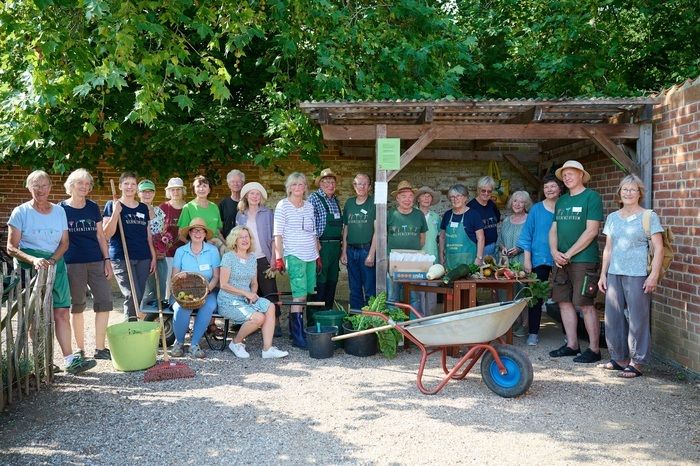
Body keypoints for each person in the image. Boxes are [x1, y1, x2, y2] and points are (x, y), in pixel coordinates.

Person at [7, 170, 96, 374]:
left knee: (62, 312)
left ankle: (70, 361)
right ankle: (41, 361)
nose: (40, 190)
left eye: (44, 185)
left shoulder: (59, 212)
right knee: (35, 315)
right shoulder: (21, 212)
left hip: (56, 264)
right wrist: (33, 259)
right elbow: (11, 247)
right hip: (30, 268)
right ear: (29, 188)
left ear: (50, 187)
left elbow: (65, 243)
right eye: (35, 185)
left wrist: (52, 260)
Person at [598, 175, 663, 378]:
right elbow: (608, 249)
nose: (628, 193)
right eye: (625, 189)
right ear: (620, 193)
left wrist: (653, 275)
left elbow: (659, 249)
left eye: (633, 190)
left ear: (639, 193)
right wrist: (603, 275)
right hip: (614, 273)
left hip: (638, 274)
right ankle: (619, 358)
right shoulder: (612, 218)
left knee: (637, 318)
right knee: (613, 317)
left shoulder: (648, 216)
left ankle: (637, 362)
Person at [548, 160, 603, 363]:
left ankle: (594, 349)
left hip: (583, 260)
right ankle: (572, 345)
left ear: (581, 175)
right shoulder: (561, 201)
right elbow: (554, 229)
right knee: (563, 302)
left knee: (585, 305)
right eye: (565, 174)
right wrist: (554, 251)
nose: (567, 177)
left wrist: (568, 253)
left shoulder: (591, 197)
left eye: (571, 173)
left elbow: (591, 231)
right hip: (561, 260)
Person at [60, 169, 114, 360]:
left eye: (87, 184)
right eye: (80, 183)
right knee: (77, 305)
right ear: (71, 185)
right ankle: (80, 349)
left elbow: (100, 236)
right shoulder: (61, 209)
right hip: (73, 263)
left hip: (96, 260)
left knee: (105, 302)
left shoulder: (92, 207)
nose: (84, 187)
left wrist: (107, 260)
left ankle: (100, 348)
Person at [219, 225, 288, 359]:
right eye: (241, 237)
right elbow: (223, 285)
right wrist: (246, 294)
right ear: (235, 240)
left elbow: (254, 283)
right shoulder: (228, 257)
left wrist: (253, 293)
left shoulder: (252, 258)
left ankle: (267, 349)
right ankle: (236, 342)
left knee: (270, 306)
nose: (245, 240)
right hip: (228, 300)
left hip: (246, 299)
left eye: (247, 237)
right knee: (258, 318)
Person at [273, 172, 319, 349]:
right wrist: (279, 257)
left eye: (301, 185)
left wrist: (317, 254)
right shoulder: (283, 205)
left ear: (305, 187)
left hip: (310, 255)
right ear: (289, 187)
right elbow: (278, 233)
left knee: (305, 293)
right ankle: (298, 337)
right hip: (294, 254)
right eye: (294, 185)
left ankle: (295, 332)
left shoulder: (309, 206)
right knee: (298, 295)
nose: (298, 188)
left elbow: (313, 232)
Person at [517, 175, 563, 346]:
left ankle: (568, 334)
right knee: (536, 296)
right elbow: (527, 235)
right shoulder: (536, 209)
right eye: (546, 187)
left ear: (559, 189)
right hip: (539, 256)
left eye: (553, 186)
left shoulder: (565, 206)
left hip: (561, 257)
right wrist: (527, 260)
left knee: (564, 296)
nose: (549, 190)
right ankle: (534, 332)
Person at [103, 172, 156, 321]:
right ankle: (130, 324)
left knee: (138, 294)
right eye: (126, 183)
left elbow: (148, 235)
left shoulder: (143, 208)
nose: (129, 187)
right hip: (121, 256)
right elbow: (106, 234)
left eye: (133, 184)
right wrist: (115, 214)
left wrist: (153, 256)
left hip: (143, 257)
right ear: (120, 186)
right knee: (132, 294)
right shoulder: (112, 205)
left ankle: (131, 324)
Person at [170, 218, 221, 358]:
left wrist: (207, 291)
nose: (198, 233)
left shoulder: (213, 251)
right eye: (194, 230)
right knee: (181, 307)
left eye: (201, 230)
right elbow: (174, 277)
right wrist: (180, 277)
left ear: (205, 234)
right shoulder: (181, 251)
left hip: (207, 291)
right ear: (190, 233)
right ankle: (179, 343)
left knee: (208, 306)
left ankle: (194, 344)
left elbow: (216, 277)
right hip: (182, 291)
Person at [236, 181, 281, 336]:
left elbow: (274, 237)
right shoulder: (240, 215)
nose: (254, 196)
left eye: (257, 194)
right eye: (251, 193)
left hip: (264, 257)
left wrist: (274, 258)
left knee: (270, 291)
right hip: (246, 259)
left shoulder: (268, 213)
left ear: (261, 197)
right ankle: (253, 322)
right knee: (249, 291)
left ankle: (276, 323)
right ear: (246, 197)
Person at [387, 180, 427, 312]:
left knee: (414, 296)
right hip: (393, 260)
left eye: (410, 196)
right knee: (393, 296)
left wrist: (413, 253)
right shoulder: (390, 214)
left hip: (413, 261)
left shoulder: (419, 215)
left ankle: (413, 326)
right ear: (397, 198)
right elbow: (383, 236)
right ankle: (392, 329)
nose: (407, 199)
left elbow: (422, 239)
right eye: (403, 196)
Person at [498, 190, 532, 337]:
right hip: (507, 262)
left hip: (522, 261)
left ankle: (525, 325)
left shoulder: (529, 219)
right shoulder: (506, 220)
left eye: (521, 202)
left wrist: (519, 249)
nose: (517, 204)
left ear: (526, 204)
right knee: (507, 294)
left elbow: (532, 240)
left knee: (522, 293)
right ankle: (514, 323)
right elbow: (500, 240)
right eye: (515, 201)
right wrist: (503, 248)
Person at [340, 173, 376, 310]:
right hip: (351, 250)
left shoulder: (373, 203)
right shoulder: (349, 203)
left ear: (369, 187)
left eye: (364, 184)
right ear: (354, 186)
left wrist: (372, 253)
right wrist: (344, 251)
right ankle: (356, 320)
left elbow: (377, 230)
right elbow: (346, 228)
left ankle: (371, 321)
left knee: (369, 289)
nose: (361, 186)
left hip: (366, 250)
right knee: (354, 289)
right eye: (358, 183)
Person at [309, 168, 342, 310]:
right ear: (320, 184)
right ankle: (314, 319)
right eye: (327, 181)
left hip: (335, 247)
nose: (330, 185)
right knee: (318, 282)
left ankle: (327, 314)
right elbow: (309, 224)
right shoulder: (314, 198)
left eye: (332, 182)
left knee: (332, 281)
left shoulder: (335, 200)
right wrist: (315, 243)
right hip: (321, 246)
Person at [138, 179, 168, 308]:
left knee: (161, 283)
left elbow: (161, 233)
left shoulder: (159, 212)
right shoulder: (135, 210)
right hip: (143, 253)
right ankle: (143, 314)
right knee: (146, 288)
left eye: (150, 191)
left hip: (158, 254)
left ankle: (158, 312)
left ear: (154, 193)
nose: (147, 194)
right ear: (138, 193)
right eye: (144, 192)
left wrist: (163, 245)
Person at [439, 184, 484, 270]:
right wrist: (441, 255)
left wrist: (479, 258)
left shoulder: (474, 214)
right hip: (450, 261)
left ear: (465, 198)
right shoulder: (447, 215)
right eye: (452, 197)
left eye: (459, 196)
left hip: (469, 262)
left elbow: (481, 238)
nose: (455, 199)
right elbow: (442, 237)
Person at [156, 177, 186, 298]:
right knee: (169, 282)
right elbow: (157, 230)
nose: (176, 192)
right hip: (168, 252)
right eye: (172, 190)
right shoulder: (163, 207)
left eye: (178, 189)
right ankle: (169, 311)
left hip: (185, 251)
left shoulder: (188, 207)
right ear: (169, 192)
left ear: (182, 191)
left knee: (184, 283)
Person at [415, 186, 441, 315]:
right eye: (423, 195)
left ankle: (429, 319)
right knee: (418, 292)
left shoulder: (436, 217)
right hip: (416, 259)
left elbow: (439, 239)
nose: (426, 198)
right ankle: (418, 319)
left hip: (432, 258)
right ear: (418, 199)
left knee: (431, 292)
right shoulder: (412, 214)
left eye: (429, 196)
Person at [178, 175, 224, 244]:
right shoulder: (188, 207)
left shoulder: (214, 207)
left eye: (204, 186)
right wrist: (194, 247)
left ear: (209, 189)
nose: (201, 189)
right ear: (194, 189)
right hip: (196, 249)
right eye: (198, 186)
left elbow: (217, 231)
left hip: (214, 247)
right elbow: (181, 235)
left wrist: (226, 245)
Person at [467, 176, 501, 259]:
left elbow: (497, 219)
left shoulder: (492, 205)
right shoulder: (471, 207)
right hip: (478, 249)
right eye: (483, 190)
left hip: (494, 247)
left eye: (489, 191)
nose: (486, 193)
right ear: (478, 190)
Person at [219, 169, 245, 239]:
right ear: (229, 184)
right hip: (228, 242)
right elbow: (219, 227)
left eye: (238, 182)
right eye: (233, 182)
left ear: (243, 184)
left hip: (245, 242)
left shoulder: (248, 203)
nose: (235, 184)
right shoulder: (223, 203)